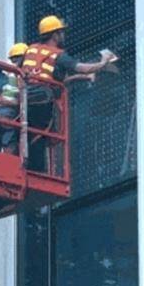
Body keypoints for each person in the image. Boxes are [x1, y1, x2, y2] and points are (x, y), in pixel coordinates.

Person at [21, 15, 118, 171]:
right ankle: (37, 171)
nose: (63, 36)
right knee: (40, 135)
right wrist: (103, 62)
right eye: (61, 32)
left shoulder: (32, 49)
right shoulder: (57, 55)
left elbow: (48, 78)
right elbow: (81, 67)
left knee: (30, 134)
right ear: (54, 34)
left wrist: (82, 78)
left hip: (25, 98)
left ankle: (30, 167)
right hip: (42, 99)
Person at [0, 42, 28, 155]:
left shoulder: (4, 76)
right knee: (8, 141)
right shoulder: (21, 76)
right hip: (8, 112)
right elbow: (21, 100)